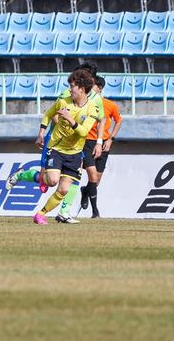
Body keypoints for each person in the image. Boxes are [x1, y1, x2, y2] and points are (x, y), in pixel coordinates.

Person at [7, 69, 100, 225]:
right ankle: (23, 175)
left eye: (73, 87)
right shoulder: (63, 102)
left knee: (63, 190)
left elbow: (84, 132)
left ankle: (40, 214)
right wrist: (41, 133)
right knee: (51, 181)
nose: (70, 89)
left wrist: (71, 120)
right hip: (56, 148)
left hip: (75, 153)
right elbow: (48, 114)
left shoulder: (92, 108)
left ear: (82, 89)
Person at [79, 75, 121, 218]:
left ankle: (85, 191)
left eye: (93, 86)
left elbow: (119, 121)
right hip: (87, 143)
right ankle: (95, 211)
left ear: (100, 88)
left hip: (103, 144)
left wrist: (111, 139)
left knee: (95, 182)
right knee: (93, 177)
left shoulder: (110, 105)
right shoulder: (85, 103)